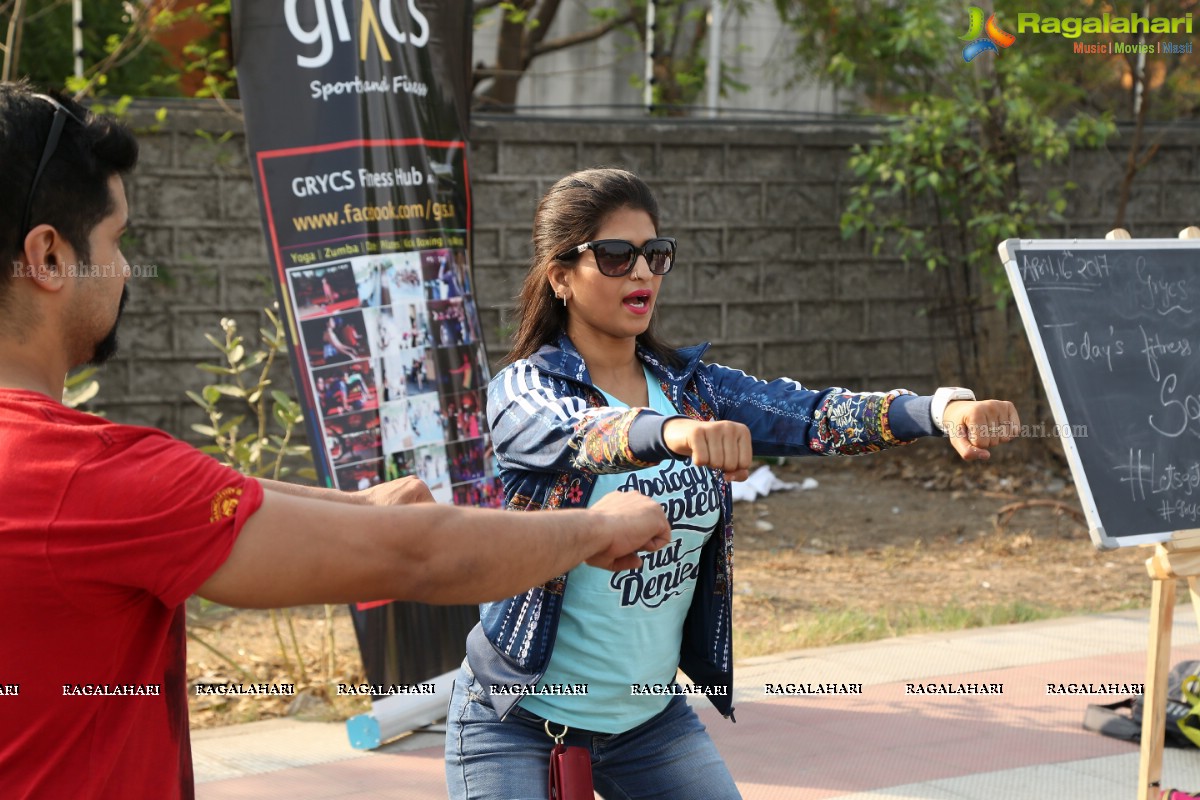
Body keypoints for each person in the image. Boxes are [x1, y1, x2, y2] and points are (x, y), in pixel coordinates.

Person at [0, 85, 673, 800]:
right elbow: (416, 558)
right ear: (47, 256)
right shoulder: (80, 473)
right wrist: (598, 527)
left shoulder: (86, 477)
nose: (127, 269)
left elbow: (209, 495)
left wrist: (358, 504)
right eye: (116, 242)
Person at [444, 168, 1021, 800]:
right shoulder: (525, 391)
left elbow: (812, 414)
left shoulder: (697, 390)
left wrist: (941, 413)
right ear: (560, 275)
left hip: (645, 720)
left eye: (654, 255)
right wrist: (674, 435)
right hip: (518, 722)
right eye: (614, 256)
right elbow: (580, 433)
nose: (641, 273)